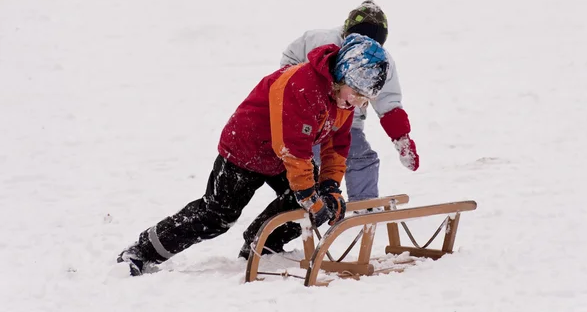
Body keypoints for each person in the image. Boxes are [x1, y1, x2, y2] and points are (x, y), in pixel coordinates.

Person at [117, 34, 390, 276]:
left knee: (312, 196)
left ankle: (262, 245)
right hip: (247, 149)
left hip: (284, 155)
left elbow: (336, 144)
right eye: (355, 94)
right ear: (341, 75)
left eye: (362, 99)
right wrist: (310, 198)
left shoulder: (342, 99)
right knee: (217, 215)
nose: (356, 102)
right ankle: (141, 251)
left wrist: (330, 186)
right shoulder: (304, 85)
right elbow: (293, 151)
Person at [238, 0, 419, 259]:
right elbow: (288, 64)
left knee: (362, 158)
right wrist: (300, 96)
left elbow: (389, 99)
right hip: (307, 117)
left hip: (347, 122)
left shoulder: (381, 61)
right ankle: (279, 229)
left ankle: (362, 209)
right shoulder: (318, 40)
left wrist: (401, 137)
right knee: (304, 174)